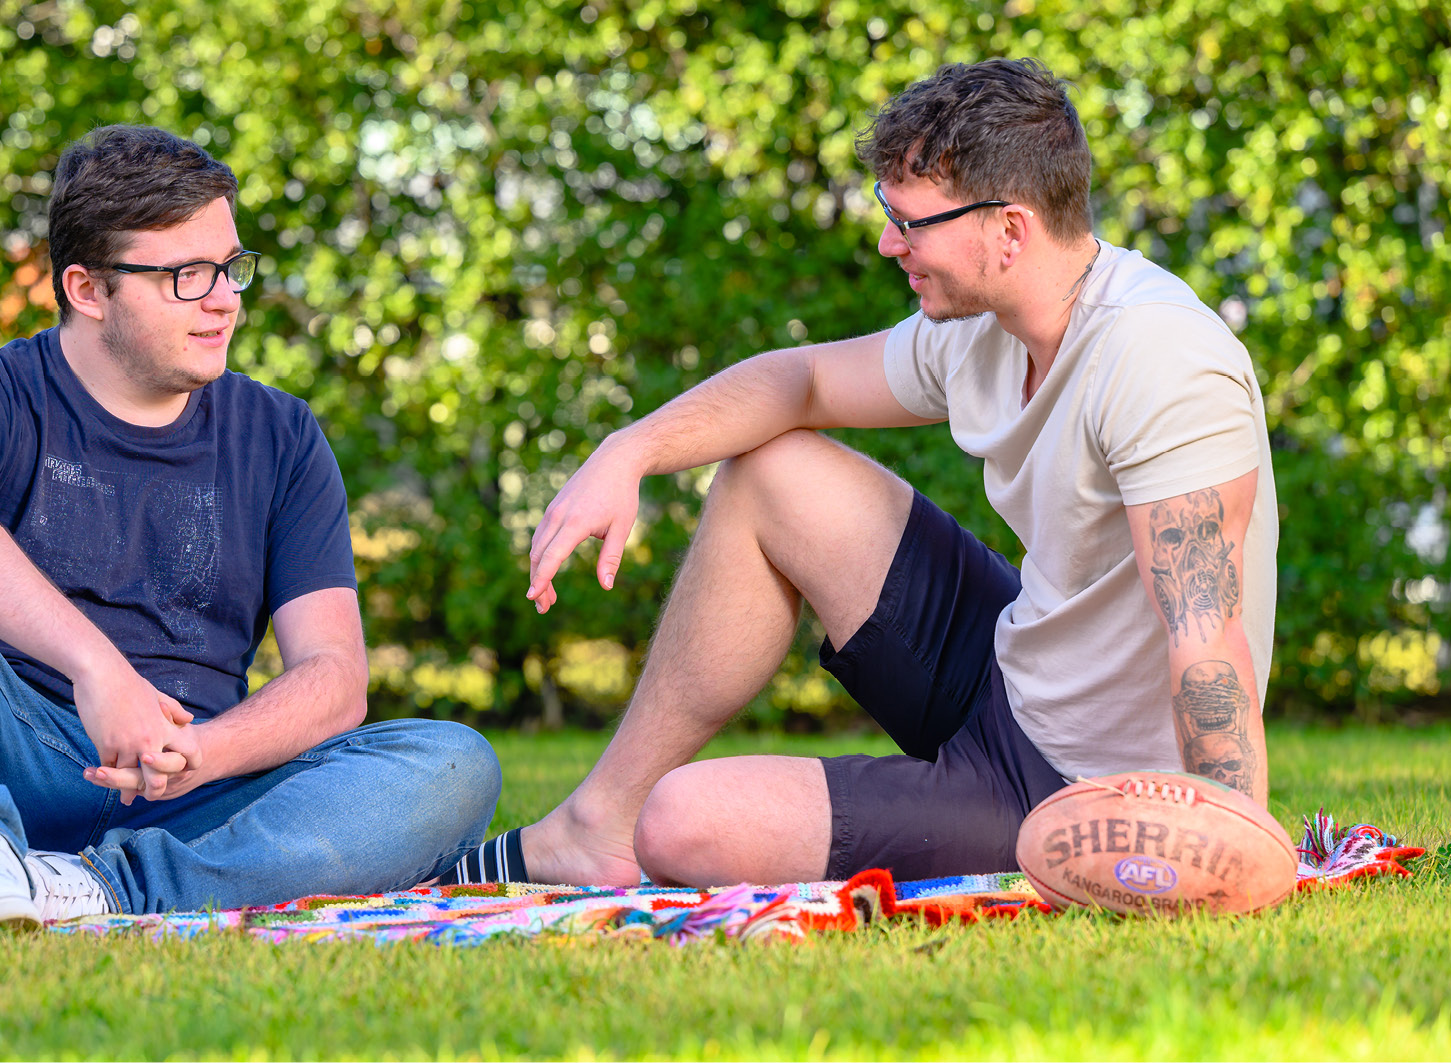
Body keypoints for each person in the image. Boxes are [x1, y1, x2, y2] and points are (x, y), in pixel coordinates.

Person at [439, 58, 1277, 889]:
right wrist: (628, 451)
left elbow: (1205, 639)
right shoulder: (983, 326)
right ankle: (595, 828)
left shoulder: (1158, 358)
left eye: (909, 221)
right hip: (1014, 669)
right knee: (771, 469)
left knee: (683, 825)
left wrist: (1230, 846)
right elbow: (797, 381)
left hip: (1077, 785)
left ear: (1009, 231)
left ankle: (641, 831)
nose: (888, 241)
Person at [0, 125, 500, 939]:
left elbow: (334, 677)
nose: (224, 299)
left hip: (182, 796)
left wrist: (203, 755)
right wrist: (95, 668)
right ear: (87, 288)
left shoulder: (279, 435)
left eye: (229, 266)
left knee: (453, 765)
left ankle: (98, 885)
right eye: (185, 275)